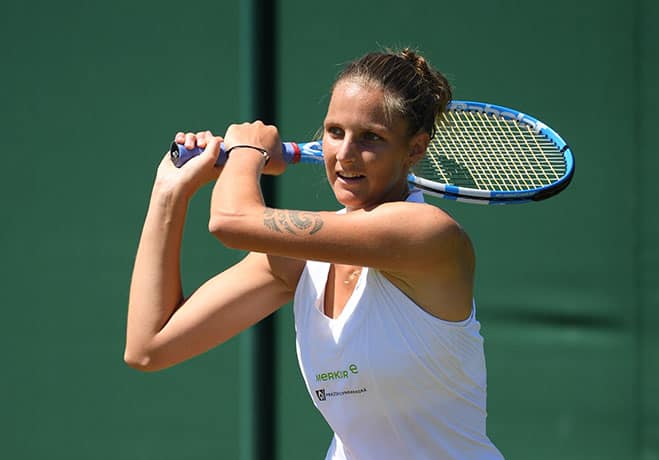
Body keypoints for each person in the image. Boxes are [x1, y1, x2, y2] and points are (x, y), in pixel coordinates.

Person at [125, 48, 504, 460]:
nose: (344, 154)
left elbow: (231, 221)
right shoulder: (301, 261)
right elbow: (150, 346)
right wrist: (168, 192)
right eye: (334, 131)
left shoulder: (428, 235)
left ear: (415, 149)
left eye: (370, 137)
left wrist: (246, 151)